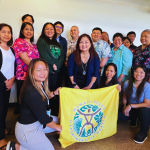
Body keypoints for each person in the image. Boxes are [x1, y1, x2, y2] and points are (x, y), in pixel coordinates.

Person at [6, 58, 62, 150]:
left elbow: (43, 97)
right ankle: (16, 147)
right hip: (28, 130)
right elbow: (44, 119)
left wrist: (54, 93)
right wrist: (58, 127)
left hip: (38, 123)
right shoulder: (32, 92)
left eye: (45, 69)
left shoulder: (39, 83)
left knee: (62, 120)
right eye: (38, 70)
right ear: (31, 71)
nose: (43, 72)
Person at [37, 22, 64, 116]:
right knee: (48, 92)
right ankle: (48, 114)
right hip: (48, 71)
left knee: (56, 91)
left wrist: (57, 65)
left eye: (51, 29)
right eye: (47, 29)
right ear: (44, 30)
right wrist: (53, 64)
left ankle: (55, 113)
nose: (49, 31)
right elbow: (43, 55)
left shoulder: (58, 44)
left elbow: (62, 57)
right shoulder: (41, 41)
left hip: (57, 72)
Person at [13, 22, 39, 115]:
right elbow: (25, 58)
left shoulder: (34, 45)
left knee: (30, 98)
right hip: (23, 75)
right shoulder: (19, 41)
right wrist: (38, 69)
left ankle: (30, 117)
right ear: (22, 31)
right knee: (23, 98)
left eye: (31, 29)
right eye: (26, 29)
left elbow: (37, 59)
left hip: (33, 75)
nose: (29, 31)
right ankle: (23, 121)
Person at [122, 65, 150, 144]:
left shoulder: (147, 86)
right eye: (136, 71)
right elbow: (124, 97)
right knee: (119, 115)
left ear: (144, 75)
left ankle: (144, 132)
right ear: (133, 73)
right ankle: (134, 118)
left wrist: (130, 106)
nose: (138, 74)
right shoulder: (127, 83)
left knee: (144, 111)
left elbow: (147, 104)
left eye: (141, 72)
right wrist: (124, 106)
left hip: (144, 110)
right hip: (132, 109)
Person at [0, 23, 15, 150]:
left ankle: (3, 128)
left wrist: (12, 79)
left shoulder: (11, 49)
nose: (6, 34)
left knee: (4, 108)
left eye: (9, 32)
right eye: (3, 32)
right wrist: (5, 80)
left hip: (9, 82)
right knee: (0, 110)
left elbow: (14, 66)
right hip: (1, 82)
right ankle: (0, 139)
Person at [54, 21, 67, 87]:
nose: (58, 28)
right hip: (51, 65)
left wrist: (59, 64)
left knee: (59, 84)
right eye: (57, 27)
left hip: (60, 66)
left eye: (60, 27)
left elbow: (64, 54)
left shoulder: (63, 40)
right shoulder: (49, 38)